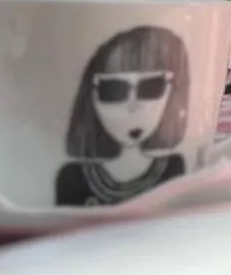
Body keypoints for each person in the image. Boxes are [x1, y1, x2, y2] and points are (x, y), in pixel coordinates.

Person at [57, 25, 191, 205]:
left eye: (151, 87)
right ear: (90, 97)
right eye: (113, 90)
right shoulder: (72, 178)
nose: (132, 106)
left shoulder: (174, 167)